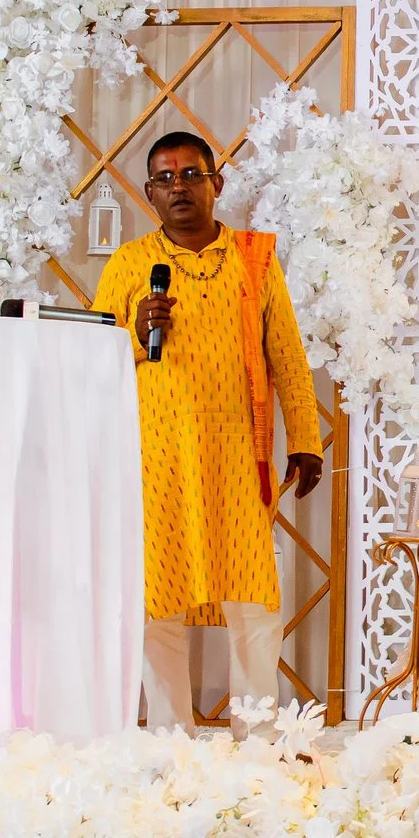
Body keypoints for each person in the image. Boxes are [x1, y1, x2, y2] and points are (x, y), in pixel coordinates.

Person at [93, 131, 323, 729]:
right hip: (156, 457)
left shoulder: (254, 259)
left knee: (253, 601)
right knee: (158, 603)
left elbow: (286, 354)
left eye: (191, 175)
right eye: (165, 178)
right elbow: (90, 362)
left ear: (216, 184)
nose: (179, 188)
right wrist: (132, 332)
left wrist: (304, 439)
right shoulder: (129, 265)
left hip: (238, 456)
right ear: (149, 193)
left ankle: (258, 737)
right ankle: (171, 737)